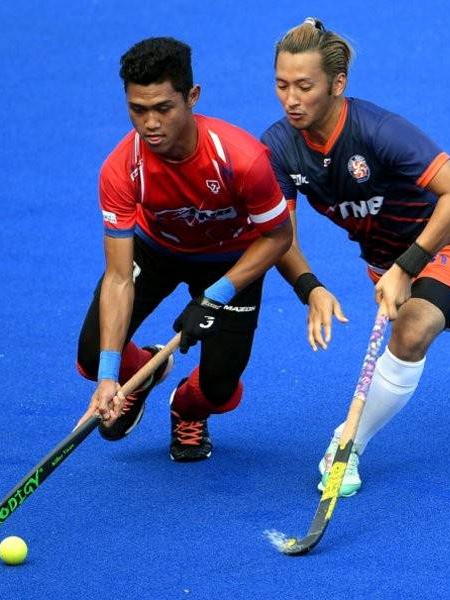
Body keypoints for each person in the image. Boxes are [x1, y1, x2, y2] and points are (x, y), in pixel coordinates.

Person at [262, 18, 450, 495]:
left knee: (412, 330)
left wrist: (408, 267)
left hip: (442, 242)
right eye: (282, 85)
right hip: (381, 257)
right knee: (433, 311)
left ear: (338, 83)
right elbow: (279, 237)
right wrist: (310, 287)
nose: (292, 98)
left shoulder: (378, 131)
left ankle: (345, 446)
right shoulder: (278, 148)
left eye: (305, 86)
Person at [75, 37, 292, 462]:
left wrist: (216, 296)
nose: (150, 124)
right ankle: (143, 373)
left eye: (163, 108)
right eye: (138, 110)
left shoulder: (242, 158)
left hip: (234, 259)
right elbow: (120, 278)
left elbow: (278, 237)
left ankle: (187, 409)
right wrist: (108, 378)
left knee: (219, 386)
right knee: (92, 352)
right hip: (158, 250)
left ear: (192, 97)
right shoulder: (121, 169)